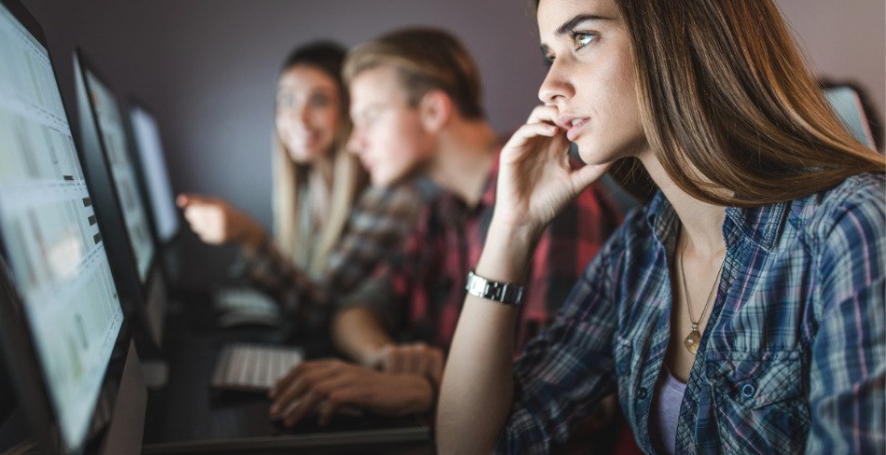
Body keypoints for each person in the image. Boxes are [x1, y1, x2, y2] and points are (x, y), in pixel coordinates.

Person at [437, 0, 886, 453]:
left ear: (681, 36)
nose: (549, 87)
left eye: (583, 38)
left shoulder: (850, 225)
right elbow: (473, 443)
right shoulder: (637, 254)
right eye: (551, 56)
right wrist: (511, 230)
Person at [268, 29, 624, 448]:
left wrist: (423, 389)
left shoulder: (550, 196)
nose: (353, 142)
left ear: (434, 110)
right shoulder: (441, 211)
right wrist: (385, 359)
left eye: (369, 117)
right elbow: (357, 308)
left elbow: (569, 401)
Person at [178, 41, 427, 328]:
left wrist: (250, 237)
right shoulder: (307, 192)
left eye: (319, 101)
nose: (300, 118)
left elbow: (320, 312)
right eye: (287, 101)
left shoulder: (389, 198)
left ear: (349, 111)